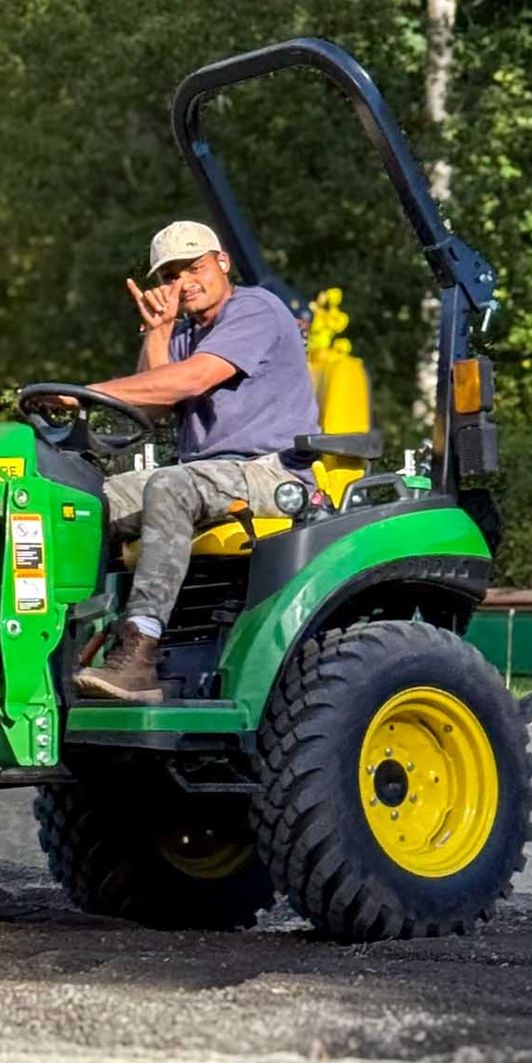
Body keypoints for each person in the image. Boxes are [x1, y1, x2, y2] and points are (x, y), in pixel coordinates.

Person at [73, 220, 321, 703]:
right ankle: (70, 642)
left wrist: (86, 395)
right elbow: (151, 404)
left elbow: (188, 381)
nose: (184, 283)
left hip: (271, 471)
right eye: (170, 276)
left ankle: (138, 652)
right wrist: (159, 329)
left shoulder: (255, 309)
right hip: (207, 474)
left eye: (195, 268)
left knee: (169, 486)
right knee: (81, 499)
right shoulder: (186, 332)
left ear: (222, 263)